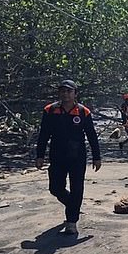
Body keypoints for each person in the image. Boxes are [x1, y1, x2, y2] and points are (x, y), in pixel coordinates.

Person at [35, 80, 101, 235]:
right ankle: (73, 205)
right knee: (55, 188)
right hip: (57, 155)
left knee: (77, 188)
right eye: (63, 91)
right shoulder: (50, 110)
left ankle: (72, 222)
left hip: (77, 156)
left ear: (75, 94)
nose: (65, 94)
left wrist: (97, 157)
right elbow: (43, 134)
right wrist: (39, 155)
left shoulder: (83, 112)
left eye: (69, 91)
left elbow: (91, 135)